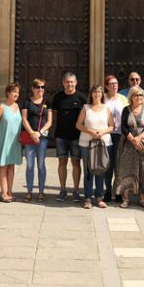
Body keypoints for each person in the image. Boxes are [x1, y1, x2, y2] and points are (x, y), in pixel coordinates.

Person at [76, 84, 114, 209]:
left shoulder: (106, 108)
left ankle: (99, 197)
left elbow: (112, 126)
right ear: (91, 94)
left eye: (99, 92)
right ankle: (87, 197)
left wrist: (102, 132)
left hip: (103, 143)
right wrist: (91, 131)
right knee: (88, 170)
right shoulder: (86, 108)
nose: (97, 94)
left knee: (100, 169)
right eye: (95, 92)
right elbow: (79, 125)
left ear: (102, 94)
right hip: (87, 143)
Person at [115, 86, 144, 209]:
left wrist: (139, 138)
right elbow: (124, 128)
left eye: (141, 95)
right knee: (127, 171)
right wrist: (133, 139)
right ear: (131, 97)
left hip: (143, 145)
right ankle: (126, 198)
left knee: (143, 172)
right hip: (128, 146)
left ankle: (142, 198)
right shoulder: (126, 110)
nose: (139, 97)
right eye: (136, 95)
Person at [52, 72, 87, 202]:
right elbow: (55, 114)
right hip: (61, 135)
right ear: (63, 83)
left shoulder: (81, 98)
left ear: (76, 83)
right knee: (62, 162)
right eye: (67, 82)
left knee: (76, 162)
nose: (69, 84)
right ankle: (62, 190)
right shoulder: (58, 97)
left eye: (72, 82)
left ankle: (76, 191)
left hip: (76, 136)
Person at [21, 78, 52, 202]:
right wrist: (32, 133)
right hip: (29, 137)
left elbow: (49, 121)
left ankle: (41, 192)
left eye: (42, 87)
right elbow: (24, 119)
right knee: (29, 165)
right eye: (38, 87)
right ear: (33, 89)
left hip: (42, 138)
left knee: (41, 164)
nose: (40, 90)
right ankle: (29, 191)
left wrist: (39, 133)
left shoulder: (47, 102)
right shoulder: (27, 102)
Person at [0, 82, 23, 203]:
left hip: (15, 142)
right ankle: (3, 192)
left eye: (18, 92)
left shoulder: (17, 107)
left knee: (11, 166)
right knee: (3, 165)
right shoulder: (1, 107)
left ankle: (10, 191)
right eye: (14, 91)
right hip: (4, 140)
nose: (16, 94)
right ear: (8, 93)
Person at [103, 75, 128, 202]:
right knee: (108, 164)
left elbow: (128, 116)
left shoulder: (123, 99)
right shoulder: (102, 99)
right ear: (107, 86)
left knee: (118, 164)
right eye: (111, 84)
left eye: (116, 83)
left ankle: (118, 191)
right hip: (106, 135)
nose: (114, 86)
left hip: (119, 135)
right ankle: (107, 190)